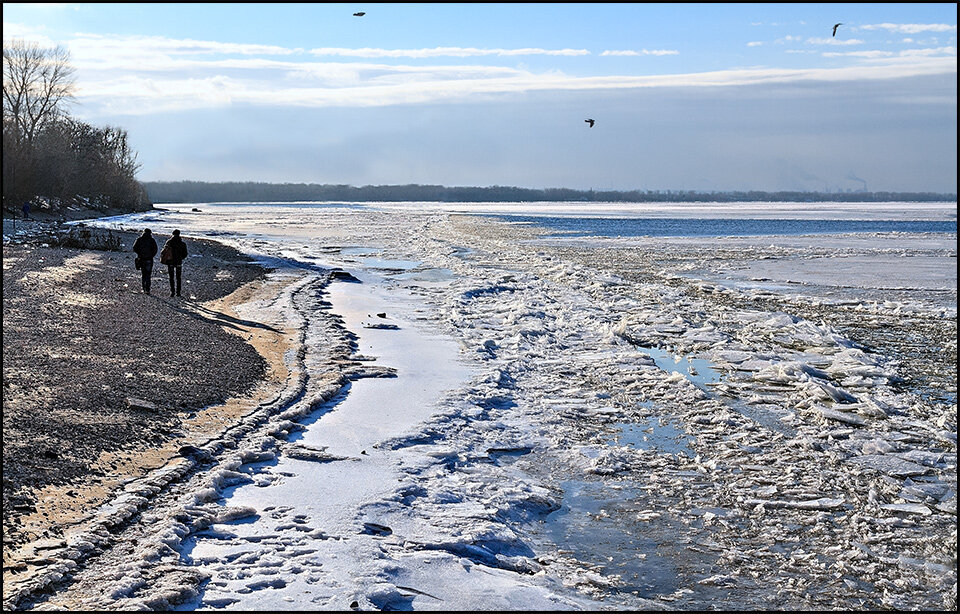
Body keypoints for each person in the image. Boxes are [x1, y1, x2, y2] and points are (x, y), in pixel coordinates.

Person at [161, 229, 188, 298]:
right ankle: (178, 293)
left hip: (170, 262)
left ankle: (172, 292)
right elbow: (185, 254)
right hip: (179, 262)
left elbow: (164, 251)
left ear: (173, 234)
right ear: (179, 234)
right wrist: (181, 258)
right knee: (178, 277)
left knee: (171, 277)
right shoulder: (182, 244)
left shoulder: (169, 242)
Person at [132, 229, 158, 294]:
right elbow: (155, 249)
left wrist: (139, 254)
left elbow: (134, 248)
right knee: (148, 274)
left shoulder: (139, 239)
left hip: (141, 259)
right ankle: (148, 289)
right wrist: (151, 255)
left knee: (143, 274)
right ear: (150, 233)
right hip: (149, 259)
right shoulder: (152, 240)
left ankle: (144, 288)